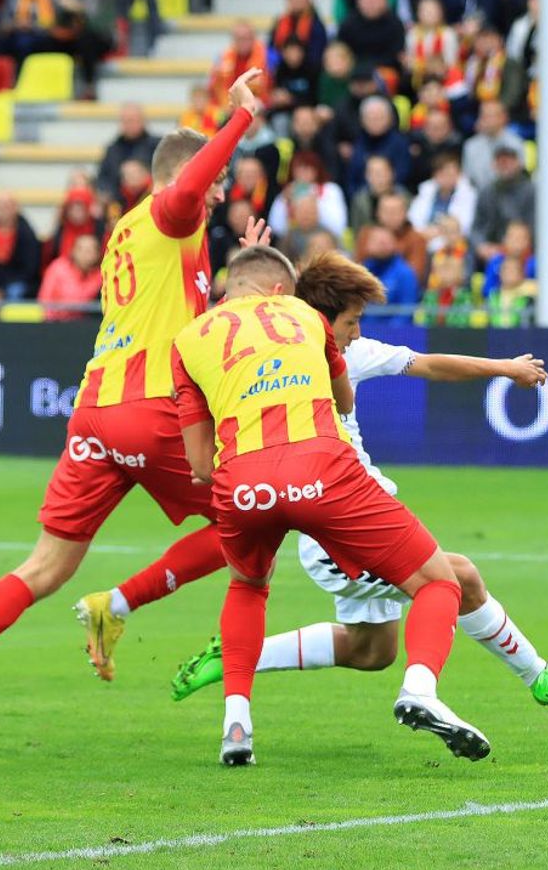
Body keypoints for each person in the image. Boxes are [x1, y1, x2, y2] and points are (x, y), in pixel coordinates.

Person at [0, 71, 266, 734]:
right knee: (255, 519)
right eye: (217, 180)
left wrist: (246, 276)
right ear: (185, 175)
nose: (220, 192)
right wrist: (237, 120)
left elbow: (180, 316)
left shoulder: (135, 232)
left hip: (97, 412)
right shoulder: (173, 210)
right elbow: (187, 190)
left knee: (45, 566)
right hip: (153, 409)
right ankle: (118, 605)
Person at [171, 250, 548, 708]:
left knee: (372, 651)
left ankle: (236, 655)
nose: (356, 333)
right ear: (320, 318)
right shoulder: (287, 352)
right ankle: (538, 676)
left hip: (356, 505)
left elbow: (430, 364)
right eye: (351, 322)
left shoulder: (353, 352)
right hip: (334, 522)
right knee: (460, 578)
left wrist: (504, 368)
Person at [170, 245, 490, 766]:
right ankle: (419, 690)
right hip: (322, 472)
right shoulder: (306, 318)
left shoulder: (188, 340)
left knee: (248, 587)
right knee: (439, 581)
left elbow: (201, 465)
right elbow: (344, 403)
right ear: (281, 290)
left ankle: (236, 724)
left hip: (244, 483)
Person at [96, 103, 160, 201]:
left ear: (143, 121)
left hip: (151, 201)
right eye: (126, 121)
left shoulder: (157, 146)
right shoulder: (112, 150)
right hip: (120, 203)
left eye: (133, 120)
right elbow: (103, 180)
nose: (130, 124)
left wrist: (144, 178)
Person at [38, 233, 102, 321]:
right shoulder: (57, 268)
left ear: (97, 254)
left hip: (85, 324)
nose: (84, 254)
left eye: (89, 250)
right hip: (55, 322)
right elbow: (44, 299)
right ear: (72, 251)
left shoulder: (101, 275)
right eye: (80, 249)